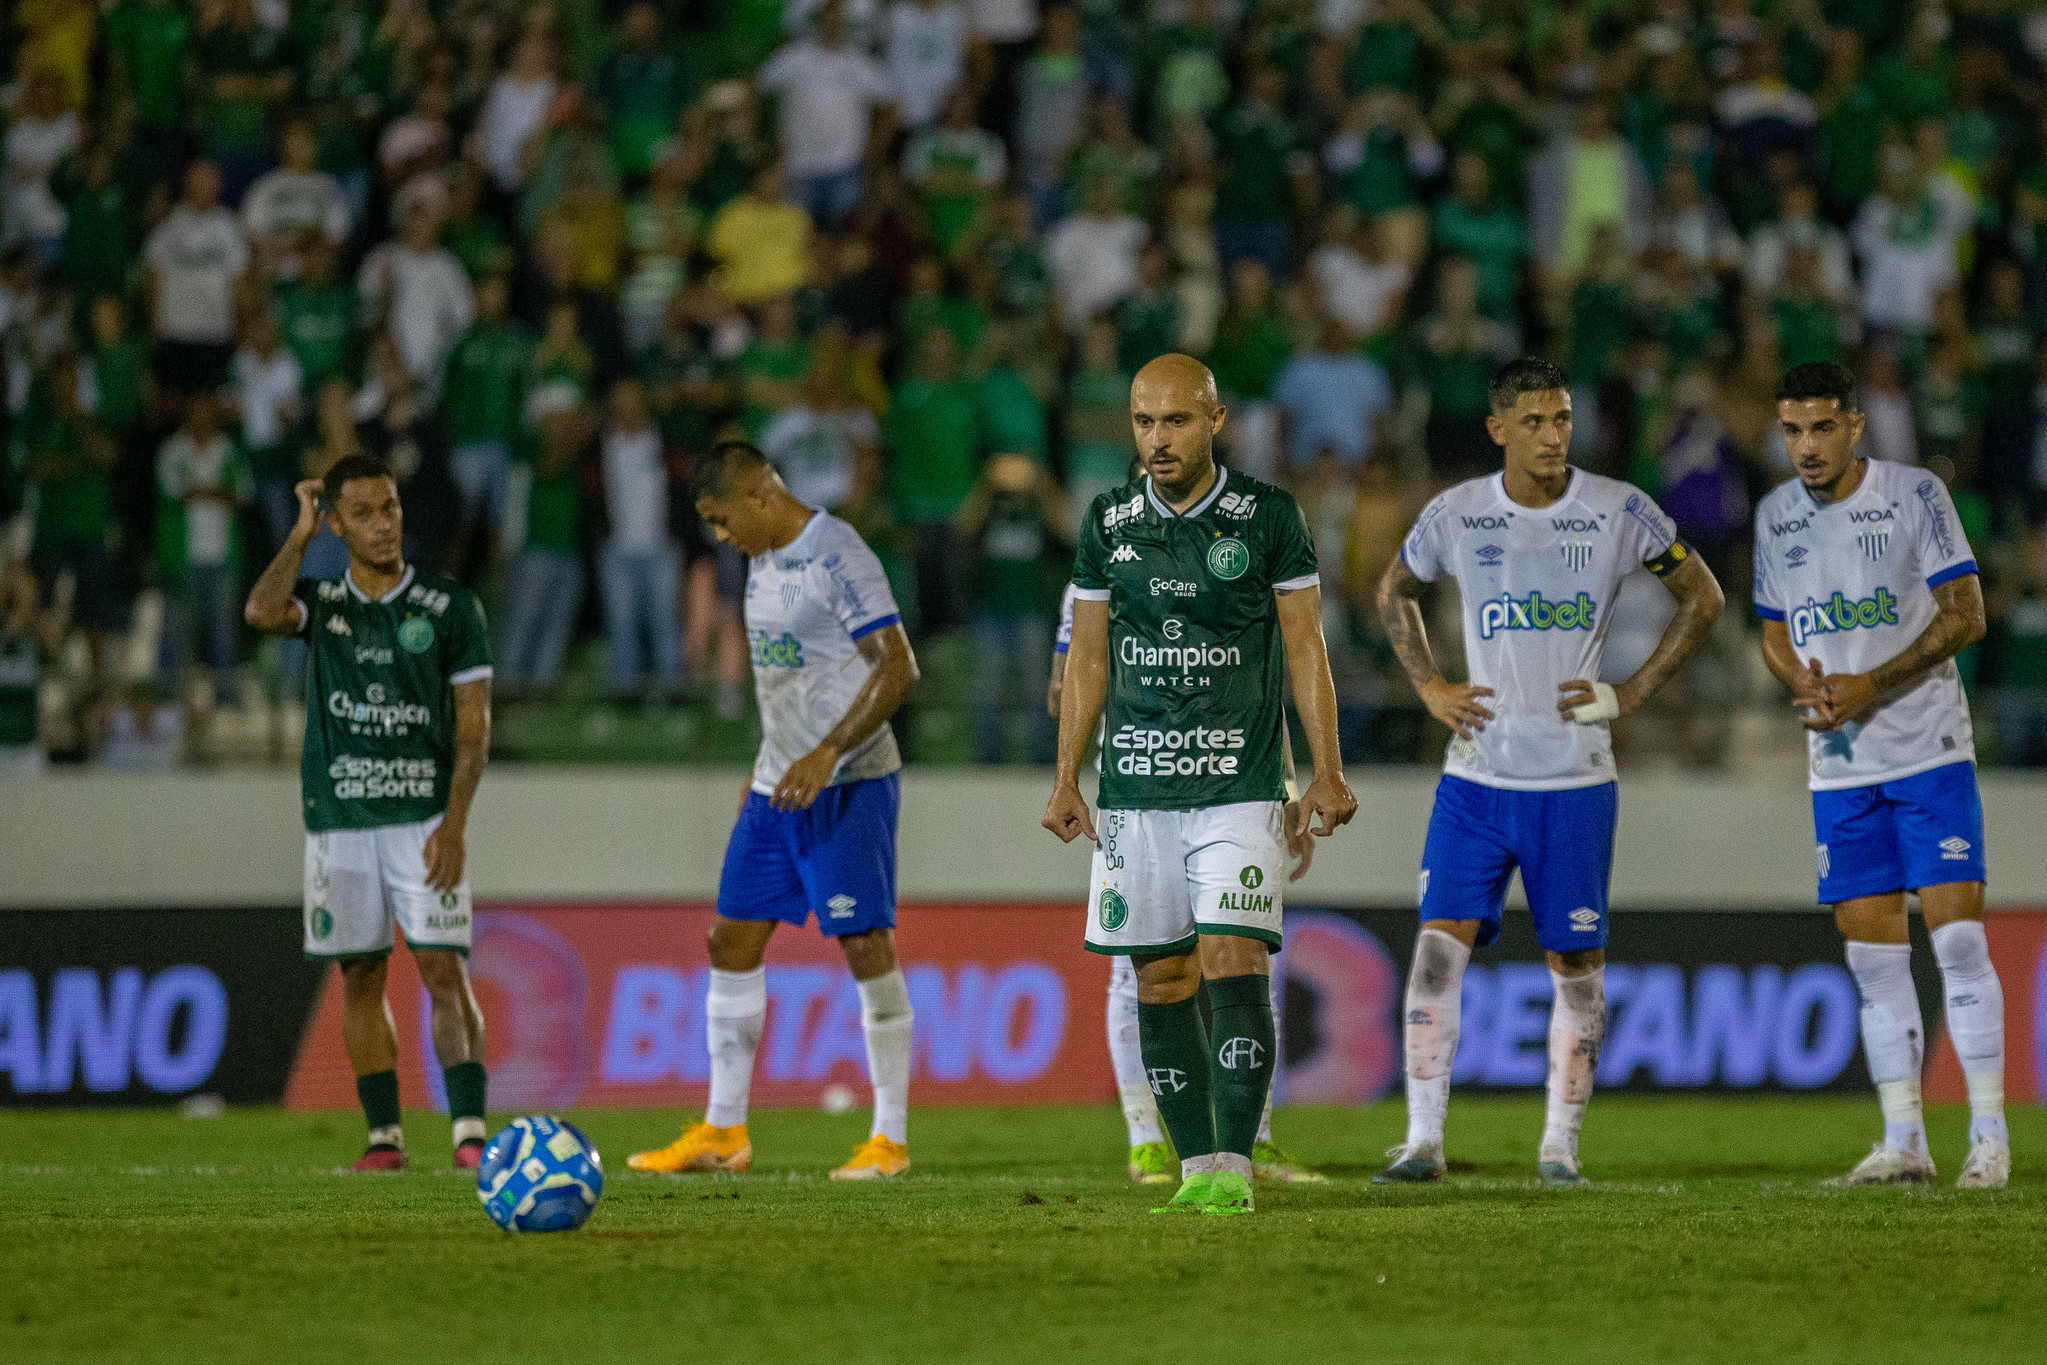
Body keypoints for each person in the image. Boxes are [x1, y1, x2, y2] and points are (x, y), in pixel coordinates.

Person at [1373, 357, 1724, 1185]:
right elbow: (1393, 592)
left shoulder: (1617, 509)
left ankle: (1559, 1146)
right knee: (1435, 952)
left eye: (1561, 418)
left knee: (1574, 964)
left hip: (1572, 778)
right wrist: (1428, 685)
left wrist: (1631, 689)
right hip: (1475, 777)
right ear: (1497, 428)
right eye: (1532, 421)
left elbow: (1702, 597)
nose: (1551, 435)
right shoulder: (1457, 513)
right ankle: (1422, 1141)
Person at [1043, 354, 1357, 1216]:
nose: (1155, 440)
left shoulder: (1266, 518)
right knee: (1160, 979)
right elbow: (1089, 658)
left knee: (1230, 955)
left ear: (1216, 420)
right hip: (1136, 791)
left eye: (1174, 421)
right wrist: (1067, 775)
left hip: (1239, 782)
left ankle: (1235, 1163)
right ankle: (1194, 1166)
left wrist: (1325, 769)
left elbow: (1303, 648)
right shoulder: (1107, 523)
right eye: (1142, 422)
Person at [628, 440, 921, 1180]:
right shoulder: (760, 560)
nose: (722, 537)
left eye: (723, 520)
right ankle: (724, 1130)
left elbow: (898, 666)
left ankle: (888, 1137)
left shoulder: (837, 552)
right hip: (774, 788)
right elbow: (788, 679)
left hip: (849, 782)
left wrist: (825, 752)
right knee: (729, 940)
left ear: (760, 494)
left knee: (864, 948)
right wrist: (769, 764)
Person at [1753, 361, 2007, 1189]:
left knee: (1959, 940)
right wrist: (1801, 681)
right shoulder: (1774, 518)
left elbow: (1966, 614)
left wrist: (1872, 683)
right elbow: (1773, 630)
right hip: (1838, 769)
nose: (1806, 447)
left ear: (1854, 426)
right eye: (1791, 430)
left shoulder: (1914, 494)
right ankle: (1904, 1143)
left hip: (1927, 752)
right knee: (1870, 961)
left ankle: (1988, 1140)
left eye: (1821, 428)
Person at [241, 454, 494, 1173]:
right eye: (364, 514)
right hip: (341, 818)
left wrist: (454, 825)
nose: (383, 525)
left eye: (390, 508)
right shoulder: (322, 603)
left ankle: (469, 1131)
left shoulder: (449, 606)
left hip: (422, 818)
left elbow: (474, 732)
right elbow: (260, 611)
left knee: (443, 967)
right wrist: (297, 538)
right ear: (337, 524)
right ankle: (384, 1136)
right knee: (359, 973)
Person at [1047, 576, 1328, 1185]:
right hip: (1140, 788)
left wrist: (1287, 785)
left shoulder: (1228, 567)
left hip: (1230, 786)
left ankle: (1254, 1139)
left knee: (1248, 957)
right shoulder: (1095, 582)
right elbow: (1060, 690)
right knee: (1139, 970)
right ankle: (1147, 1139)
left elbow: (1256, 693)